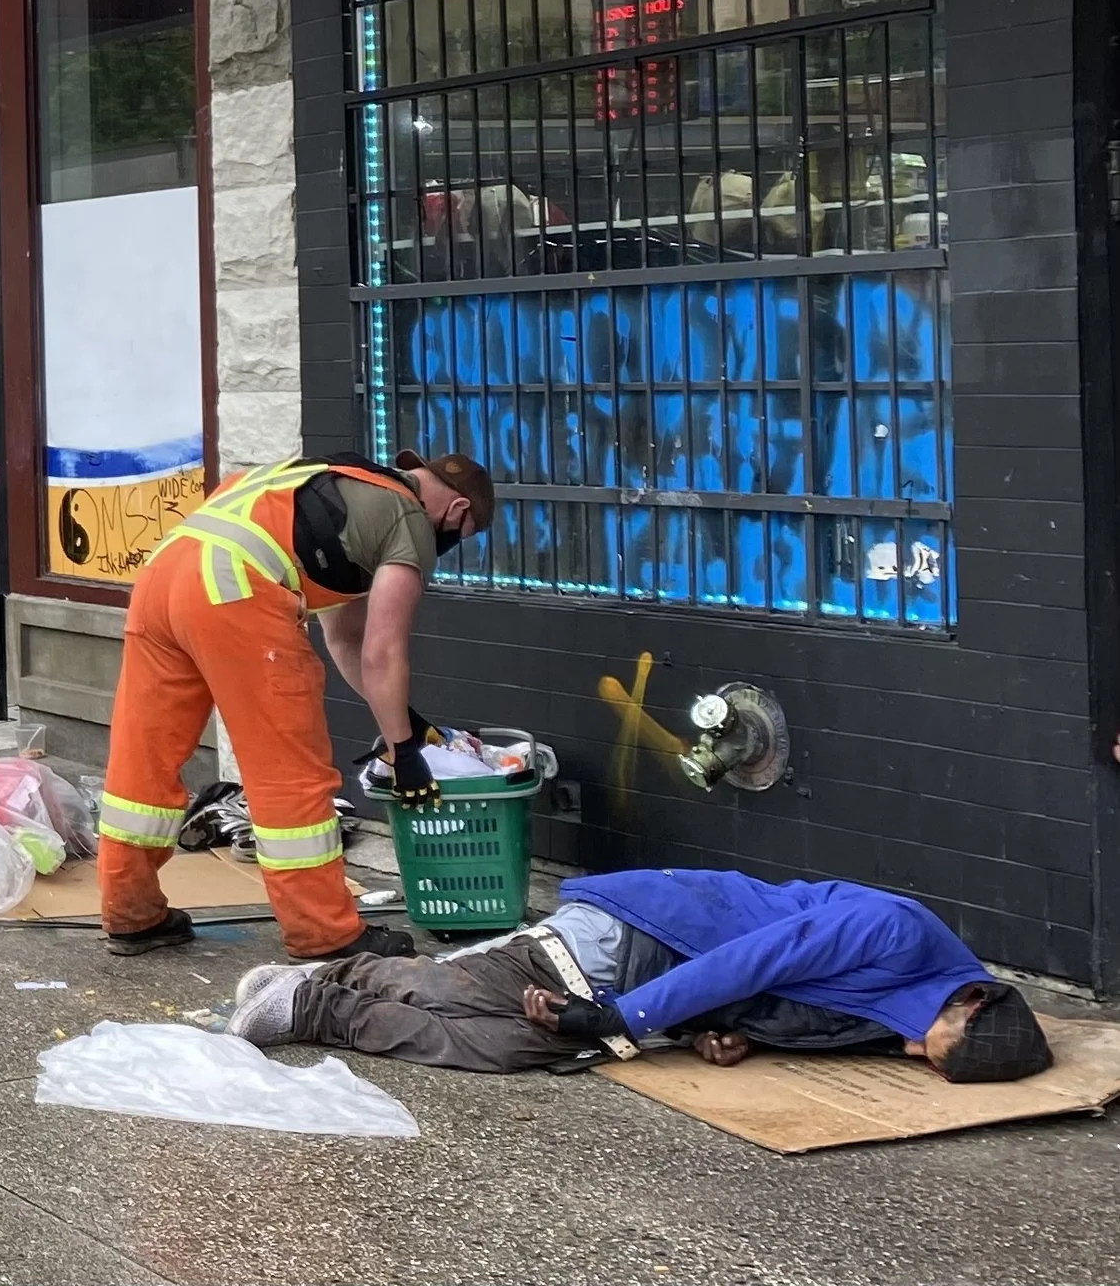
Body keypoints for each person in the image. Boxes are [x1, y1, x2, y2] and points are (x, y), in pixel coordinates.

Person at [98, 448, 494, 960]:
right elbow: (383, 650)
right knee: (287, 770)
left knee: (143, 762)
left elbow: (348, 643)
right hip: (235, 591)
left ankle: (132, 914)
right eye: (460, 537)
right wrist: (404, 750)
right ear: (459, 511)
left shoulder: (338, 483)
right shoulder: (409, 521)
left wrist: (406, 724)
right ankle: (324, 932)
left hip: (162, 580)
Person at [230, 867, 1057, 1085]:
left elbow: (781, 1003)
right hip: (639, 936)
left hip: (660, 982)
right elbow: (754, 957)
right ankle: (319, 995)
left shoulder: (914, 1015)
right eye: (933, 1044)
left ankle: (323, 999)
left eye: (928, 1064)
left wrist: (724, 1036)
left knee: (525, 1049)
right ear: (973, 996)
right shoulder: (897, 929)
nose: (914, 1053)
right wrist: (619, 1016)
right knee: (511, 1013)